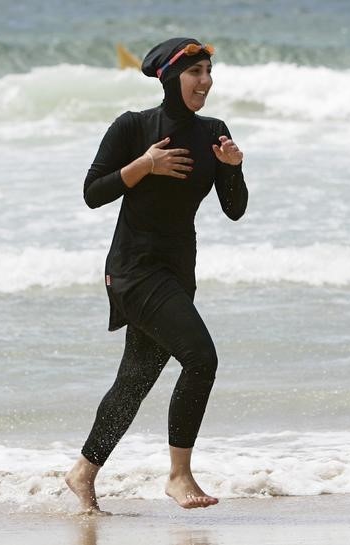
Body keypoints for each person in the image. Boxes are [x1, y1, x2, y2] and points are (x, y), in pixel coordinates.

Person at [65, 37, 248, 513]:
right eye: (195, 73)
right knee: (201, 358)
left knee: (134, 382)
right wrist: (145, 164)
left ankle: (83, 473)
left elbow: (234, 209)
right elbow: (92, 192)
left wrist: (234, 168)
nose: (205, 82)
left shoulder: (214, 131)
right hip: (133, 269)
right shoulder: (134, 126)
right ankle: (179, 475)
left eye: (209, 72)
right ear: (169, 77)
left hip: (177, 271)